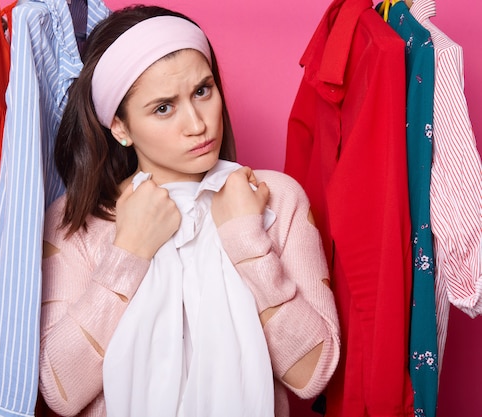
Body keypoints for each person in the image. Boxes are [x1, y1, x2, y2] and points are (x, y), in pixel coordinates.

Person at [39, 5, 340, 417]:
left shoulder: (275, 197)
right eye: (163, 107)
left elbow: (313, 373)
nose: (197, 124)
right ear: (120, 128)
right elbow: (62, 392)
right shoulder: (74, 221)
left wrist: (246, 242)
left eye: (203, 91)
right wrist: (128, 253)